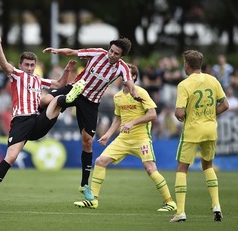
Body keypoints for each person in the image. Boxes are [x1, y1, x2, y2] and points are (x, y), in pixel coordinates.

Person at [0, 31, 86, 208]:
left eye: (32, 65)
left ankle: (67, 100)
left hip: (37, 121)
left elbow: (59, 84)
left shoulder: (38, 79)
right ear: (21, 65)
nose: (29, 68)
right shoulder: (16, 75)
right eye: (27, 65)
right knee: (11, 157)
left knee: (53, 100)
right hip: (21, 122)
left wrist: (67, 71)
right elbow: (5, 65)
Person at [42, 37, 143, 200]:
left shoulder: (122, 68)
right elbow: (73, 52)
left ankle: (84, 184)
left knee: (88, 141)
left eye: (116, 53)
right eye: (111, 50)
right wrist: (57, 50)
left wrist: (135, 93)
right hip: (76, 89)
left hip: (91, 102)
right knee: (45, 100)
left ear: (121, 56)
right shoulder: (97, 53)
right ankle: (35, 118)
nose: (111, 55)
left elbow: (130, 83)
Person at [73, 64, 177, 212]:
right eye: (121, 75)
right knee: (100, 161)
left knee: (150, 168)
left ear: (133, 77)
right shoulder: (118, 96)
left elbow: (152, 115)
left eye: (125, 75)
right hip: (123, 139)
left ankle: (170, 202)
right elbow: (117, 119)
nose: (122, 77)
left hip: (141, 138)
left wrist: (132, 122)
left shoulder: (141, 92)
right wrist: (107, 135)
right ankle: (93, 200)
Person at [170, 50, 229, 222]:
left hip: (192, 131)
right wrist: (209, 115)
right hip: (210, 129)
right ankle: (216, 206)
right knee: (208, 166)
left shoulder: (184, 84)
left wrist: (181, 115)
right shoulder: (213, 79)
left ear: (186, 64)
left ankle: (180, 212)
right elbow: (225, 105)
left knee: (182, 168)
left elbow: (179, 112)